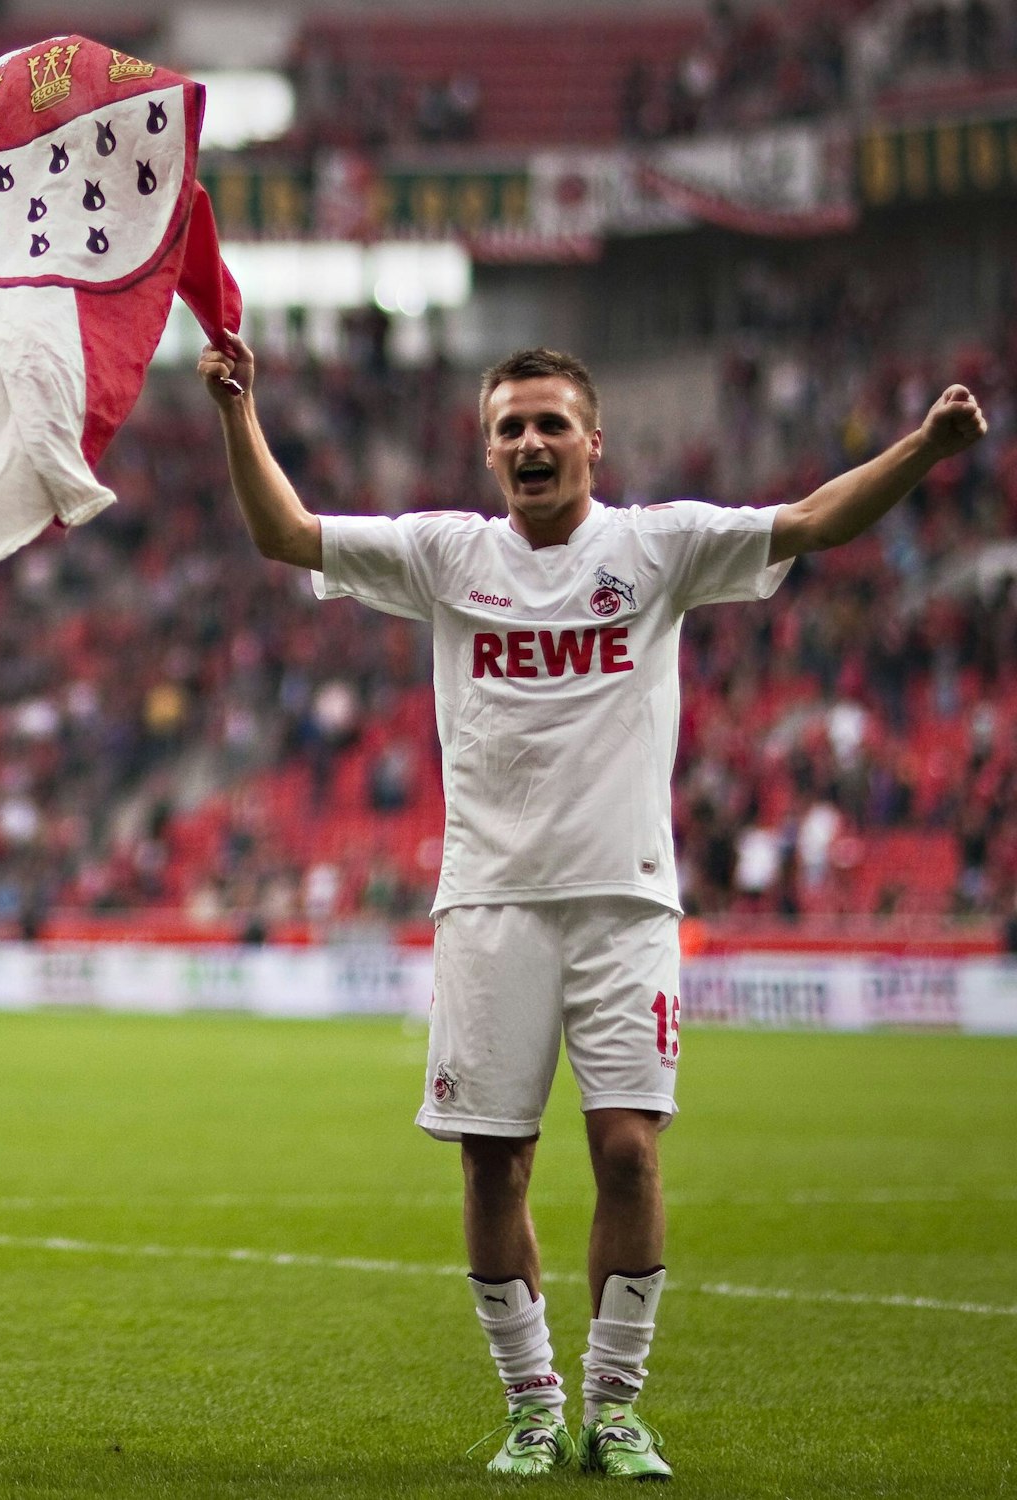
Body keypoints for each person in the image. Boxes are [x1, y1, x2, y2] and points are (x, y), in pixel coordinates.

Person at [197, 339, 986, 1480]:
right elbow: (286, 535)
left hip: (624, 902)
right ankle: (531, 1404)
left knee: (625, 1153)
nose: (528, 444)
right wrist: (238, 411)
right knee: (490, 1166)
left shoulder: (652, 546)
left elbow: (809, 523)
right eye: (509, 427)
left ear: (590, 441)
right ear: (485, 448)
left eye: (549, 424)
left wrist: (922, 447)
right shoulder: (442, 554)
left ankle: (614, 1407)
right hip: (489, 903)